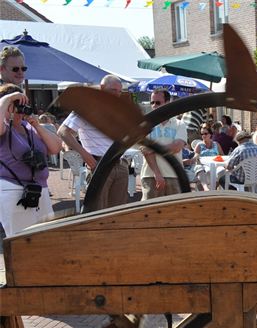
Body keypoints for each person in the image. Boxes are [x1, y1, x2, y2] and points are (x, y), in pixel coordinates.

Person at [58, 75, 129, 210]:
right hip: (99, 163)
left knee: (118, 213)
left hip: (120, 164)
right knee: (97, 211)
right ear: (102, 88)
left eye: (119, 91)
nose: (117, 94)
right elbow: (63, 132)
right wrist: (86, 156)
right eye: (113, 90)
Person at [0, 84, 63, 237]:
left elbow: (56, 147)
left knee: (46, 238)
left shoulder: (29, 127)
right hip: (14, 191)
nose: (21, 109)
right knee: (23, 241)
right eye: (17, 104)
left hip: (39, 189)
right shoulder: (4, 128)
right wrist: (8, 98)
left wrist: (37, 125)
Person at [139, 89, 186, 199]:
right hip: (151, 175)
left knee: (175, 208)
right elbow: (146, 152)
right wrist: (157, 174)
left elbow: (177, 147)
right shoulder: (146, 124)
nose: (154, 106)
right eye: (152, 102)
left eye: (158, 102)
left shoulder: (179, 124)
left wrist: (153, 149)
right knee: (150, 209)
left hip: (174, 175)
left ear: (167, 103)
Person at [193, 125, 224, 190]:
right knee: (204, 170)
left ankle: (216, 187)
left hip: (216, 165)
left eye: (205, 133)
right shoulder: (199, 145)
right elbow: (195, 157)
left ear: (210, 134)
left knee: (222, 171)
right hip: (205, 166)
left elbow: (222, 156)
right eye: (202, 134)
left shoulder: (216, 144)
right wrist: (196, 156)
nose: (203, 136)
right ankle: (208, 189)